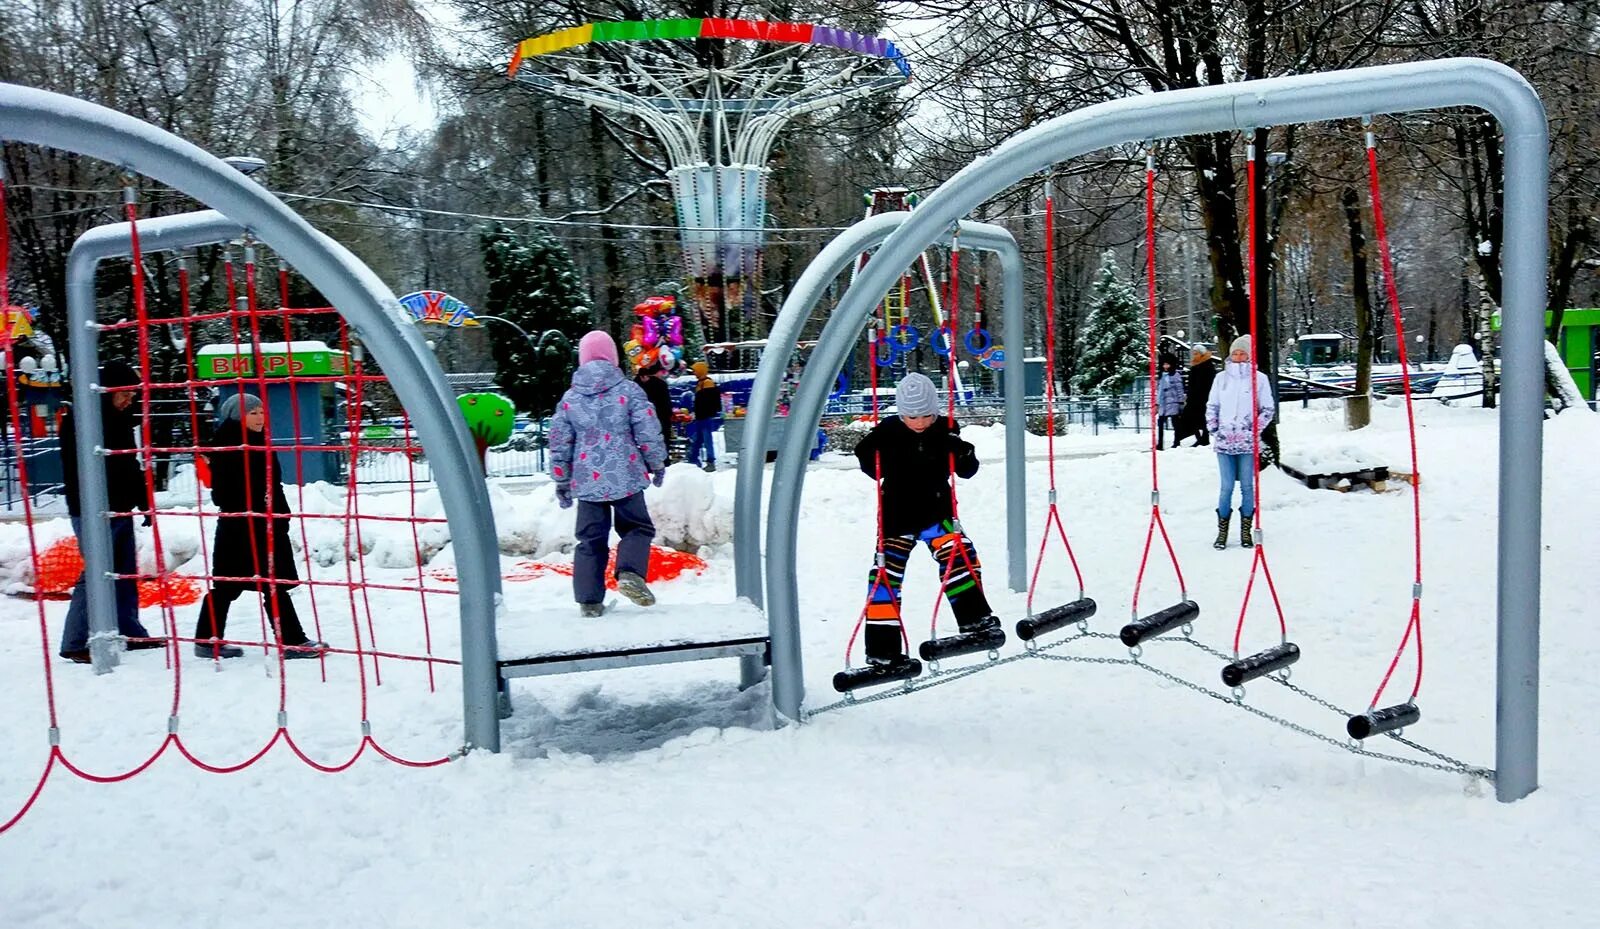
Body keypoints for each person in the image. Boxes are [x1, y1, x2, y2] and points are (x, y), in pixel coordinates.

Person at [853, 372, 1000, 669]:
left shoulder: (945, 430)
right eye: (911, 416)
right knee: (884, 575)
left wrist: (963, 450)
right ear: (901, 413)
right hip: (897, 517)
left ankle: (974, 619)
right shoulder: (888, 432)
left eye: (926, 416)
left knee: (960, 554)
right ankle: (882, 648)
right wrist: (867, 451)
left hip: (937, 513)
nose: (919, 422)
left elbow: (967, 470)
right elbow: (873, 469)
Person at [192, 393, 327, 659]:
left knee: (269, 584)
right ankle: (287, 641)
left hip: (266, 525)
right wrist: (256, 505)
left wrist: (281, 514)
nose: (260, 417)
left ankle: (289, 640)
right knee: (231, 586)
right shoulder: (226, 446)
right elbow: (221, 494)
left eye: (262, 412)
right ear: (237, 416)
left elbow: (273, 485)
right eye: (252, 413)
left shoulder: (261, 443)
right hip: (239, 529)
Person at [549, 330, 668, 617]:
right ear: (613, 357)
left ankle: (589, 600)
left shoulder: (570, 398)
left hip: (587, 480)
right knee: (637, 528)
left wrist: (562, 479)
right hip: (625, 474)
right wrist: (656, 462)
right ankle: (629, 572)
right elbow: (647, 431)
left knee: (589, 540)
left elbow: (559, 441)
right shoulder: (629, 391)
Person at [58, 359, 165, 663]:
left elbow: (129, 465)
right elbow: (97, 468)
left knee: (124, 572)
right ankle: (75, 640)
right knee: (96, 573)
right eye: (124, 393)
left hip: (119, 508)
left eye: (132, 394)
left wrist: (143, 500)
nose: (130, 399)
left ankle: (128, 630)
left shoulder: (119, 420)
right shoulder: (83, 421)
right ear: (107, 392)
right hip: (92, 511)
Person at [1205, 335, 1275, 550]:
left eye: (1242, 353)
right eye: (1235, 352)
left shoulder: (1259, 379)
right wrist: (1214, 427)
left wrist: (1253, 429)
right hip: (1225, 441)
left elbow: (1268, 409)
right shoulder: (1221, 379)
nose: (1238, 356)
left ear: (1249, 354)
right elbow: (1212, 405)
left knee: (1247, 486)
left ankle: (1246, 530)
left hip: (1246, 442)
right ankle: (1222, 531)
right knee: (1226, 487)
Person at [685, 360, 723, 472]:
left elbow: (706, 401)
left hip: (704, 416)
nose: (694, 373)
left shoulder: (707, 383)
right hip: (701, 416)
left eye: (695, 371)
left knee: (706, 439)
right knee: (698, 439)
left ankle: (710, 461)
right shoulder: (701, 383)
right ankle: (693, 460)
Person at [634, 359, 675, 464]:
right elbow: (666, 403)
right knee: (663, 443)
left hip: (643, 421)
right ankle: (664, 463)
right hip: (662, 419)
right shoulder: (661, 384)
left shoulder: (634, 386)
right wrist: (670, 416)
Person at [1179, 348, 1216, 447]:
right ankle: (1199, 438)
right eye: (1194, 353)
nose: (1194, 356)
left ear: (1201, 354)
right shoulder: (1195, 365)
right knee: (1191, 419)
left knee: (1202, 420)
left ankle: (1204, 439)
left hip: (1203, 398)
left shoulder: (1208, 366)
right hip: (1193, 398)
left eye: (1196, 354)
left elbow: (1208, 383)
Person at [1155, 357, 1186, 451]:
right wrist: (1157, 403)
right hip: (1163, 403)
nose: (1165, 366)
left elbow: (1179, 389)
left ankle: (1176, 442)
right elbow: (1159, 390)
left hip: (1173, 401)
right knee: (1160, 424)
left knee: (1175, 424)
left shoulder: (1175, 375)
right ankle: (1160, 444)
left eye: (1167, 364)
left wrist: (1180, 401)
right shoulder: (1161, 375)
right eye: (1164, 364)